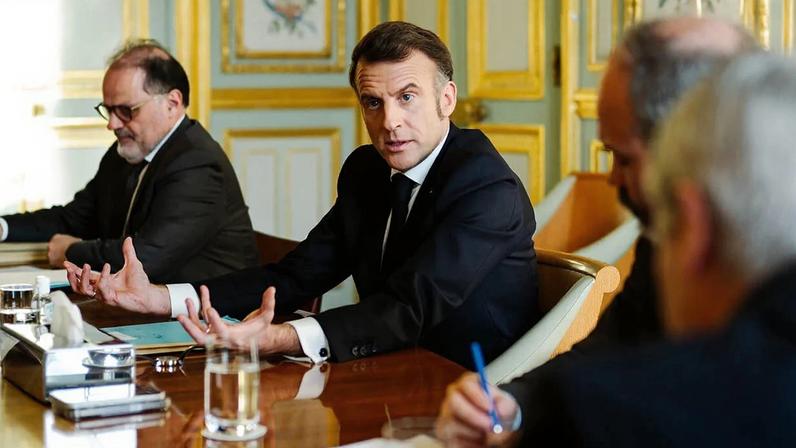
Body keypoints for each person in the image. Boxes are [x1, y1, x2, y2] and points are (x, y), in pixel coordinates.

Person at [67, 22, 540, 369]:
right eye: (373, 102)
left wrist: (280, 338)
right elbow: (297, 274)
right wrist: (163, 298)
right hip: (387, 363)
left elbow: (407, 306)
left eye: (408, 97)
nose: (390, 120)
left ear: (447, 99)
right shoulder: (367, 170)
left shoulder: (486, 187)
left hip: (475, 385)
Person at [436, 17, 760, 446]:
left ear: (694, 143)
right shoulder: (665, 233)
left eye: (623, 159)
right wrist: (514, 405)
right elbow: (605, 352)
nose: (612, 180)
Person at [0, 39, 259, 283]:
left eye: (126, 111)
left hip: (208, 318)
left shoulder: (198, 164)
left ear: (172, 103)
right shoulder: (125, 151)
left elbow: (145, 260)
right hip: (142, 307)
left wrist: (71, 251)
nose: (112, 124)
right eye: (109, 110)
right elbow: (74, 218)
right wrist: (3, 227)